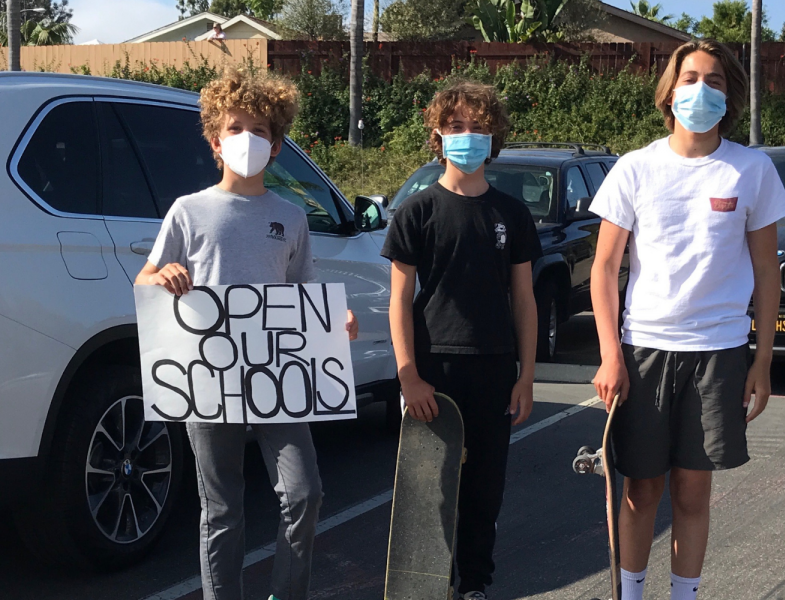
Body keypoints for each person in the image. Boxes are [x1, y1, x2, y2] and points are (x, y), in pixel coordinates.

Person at [135, 67, 358, 600]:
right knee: (222, 509)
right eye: (236, 128)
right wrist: (160, 275)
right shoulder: (188, 212)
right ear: (216, 139)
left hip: (277, 378)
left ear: (277, 144)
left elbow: (304, 292)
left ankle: (288, 593)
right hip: (208, 379)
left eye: (260, 131)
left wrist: (333, 323)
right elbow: (145, 279)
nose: (248, 140)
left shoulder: (291, 216)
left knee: (304, 494)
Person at [589, 39, 785, 600]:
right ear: (669, 91)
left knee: (692, 493)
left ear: (730, 97)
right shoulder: (635, 168)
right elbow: (604, 270)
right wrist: (610, 355)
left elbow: (767, 272)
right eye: (690, 78)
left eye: (716, 81)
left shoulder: (752, 169)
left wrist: (763, 360)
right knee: (640, 490)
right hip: (644, 349)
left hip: (720, 352)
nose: (701, 90)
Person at [381, 81, 542, 600]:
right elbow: (399, 301)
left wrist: (527, 375)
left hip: (494, 368)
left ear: (494, 139)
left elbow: (524, 300)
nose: (467, 136)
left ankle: (473, 585)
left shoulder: (512, 215)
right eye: (456, 127)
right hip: (434, 371)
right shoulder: (417, 212)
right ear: (437, 134)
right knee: (430, 491)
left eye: (478, 127)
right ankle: (426, 584)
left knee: (483, 490)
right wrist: (408, 375)